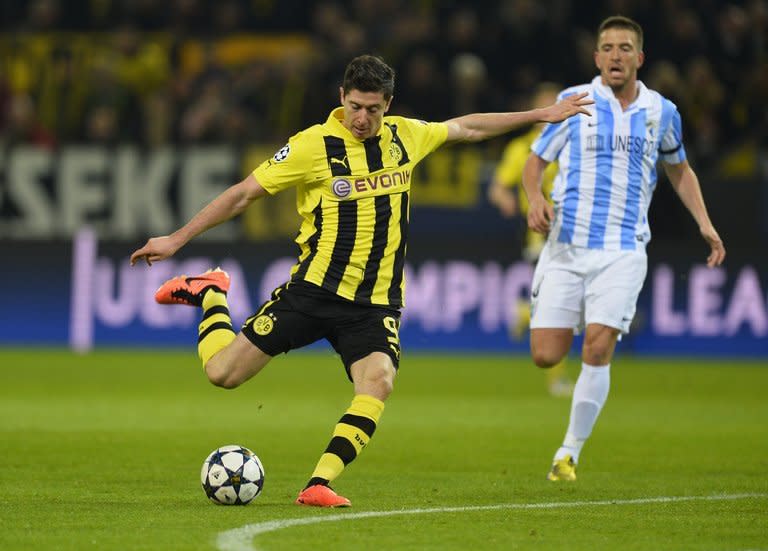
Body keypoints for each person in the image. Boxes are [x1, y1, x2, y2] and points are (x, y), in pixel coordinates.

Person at [130, 54, 591, 507]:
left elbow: (468, 127)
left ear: (388, 104)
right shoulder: (312, 145)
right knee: (221, 374)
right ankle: (212, 293)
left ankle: (318, 483)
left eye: (373, 108)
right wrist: (177, 238)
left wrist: (541, 115)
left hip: (374, 304)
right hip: (313, 291)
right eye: (355, 106)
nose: (362, 118)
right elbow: (243, 194)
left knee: (379, 381)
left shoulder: (406, 137)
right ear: (341, 98)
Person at [521, 16, 726, 482]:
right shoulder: (574, 102)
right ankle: (564, 331)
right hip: (567, 245)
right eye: (608, 47)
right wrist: (535, 197)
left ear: (640, 57)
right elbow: (535, 162)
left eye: (625, 47)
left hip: (623, 249)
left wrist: (705, 224)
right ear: (596, 58)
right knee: (545, 354)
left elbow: (679, 169)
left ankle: (568, 452)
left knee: (598, 344)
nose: (616, 55)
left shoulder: (661, 111)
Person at [487, 82, 574, 398]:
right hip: (541, 233)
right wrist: (506, 200)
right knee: (559, 306)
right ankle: (557, 380)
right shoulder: (521, 148)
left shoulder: (573, 143)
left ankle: (525, 312)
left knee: (563, 304)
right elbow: (497, 187)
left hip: (577, 233)